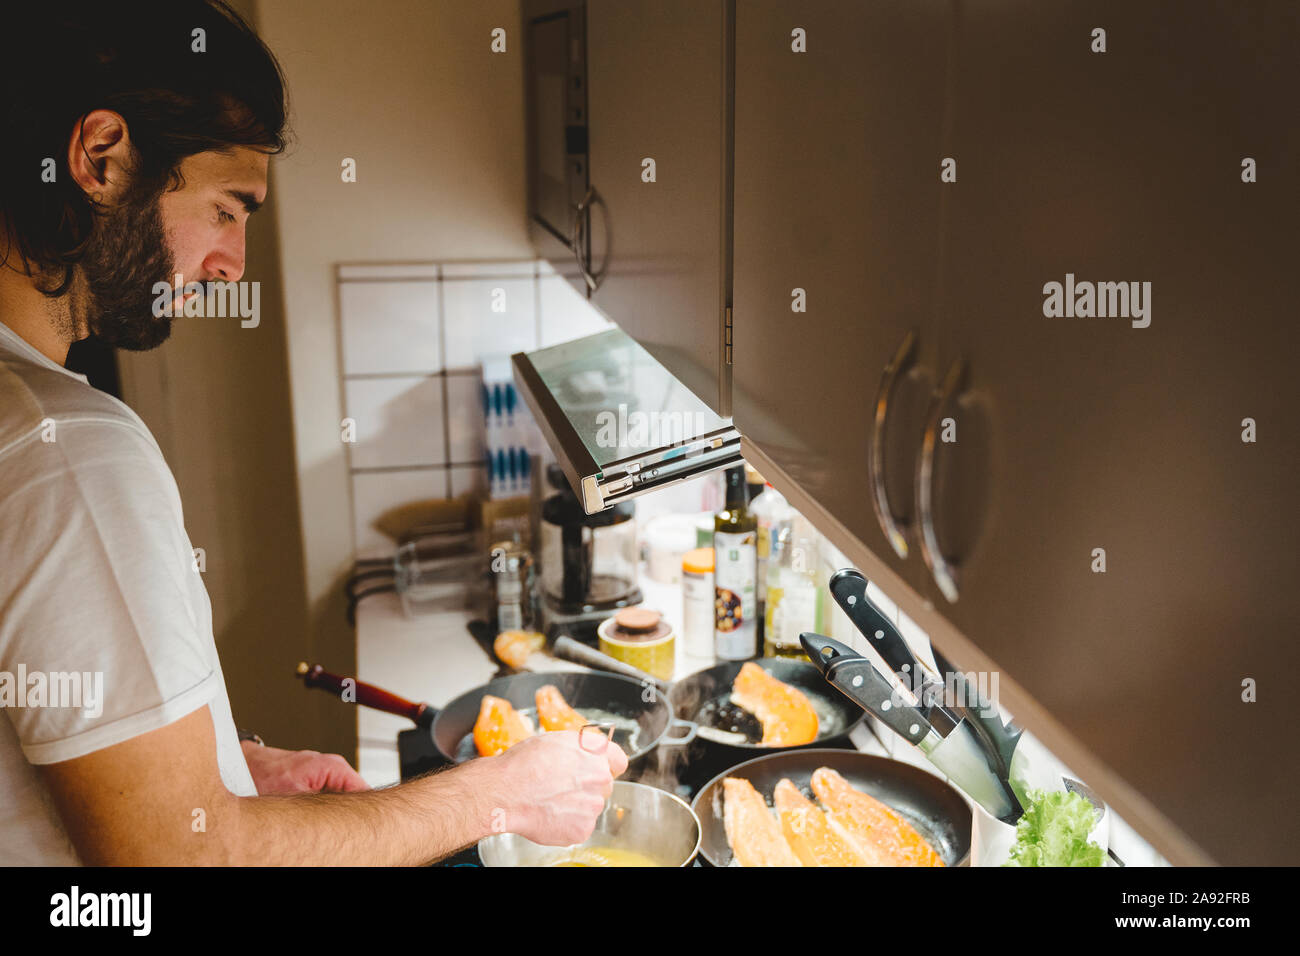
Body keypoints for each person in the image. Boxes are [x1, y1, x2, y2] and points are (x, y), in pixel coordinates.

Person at [0, 0, 625, 865]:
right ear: (101, 157)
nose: (232, 264)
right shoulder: (70, 455)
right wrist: (501, 793)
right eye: (227, 208)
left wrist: (226, 765)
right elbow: (185, 862)